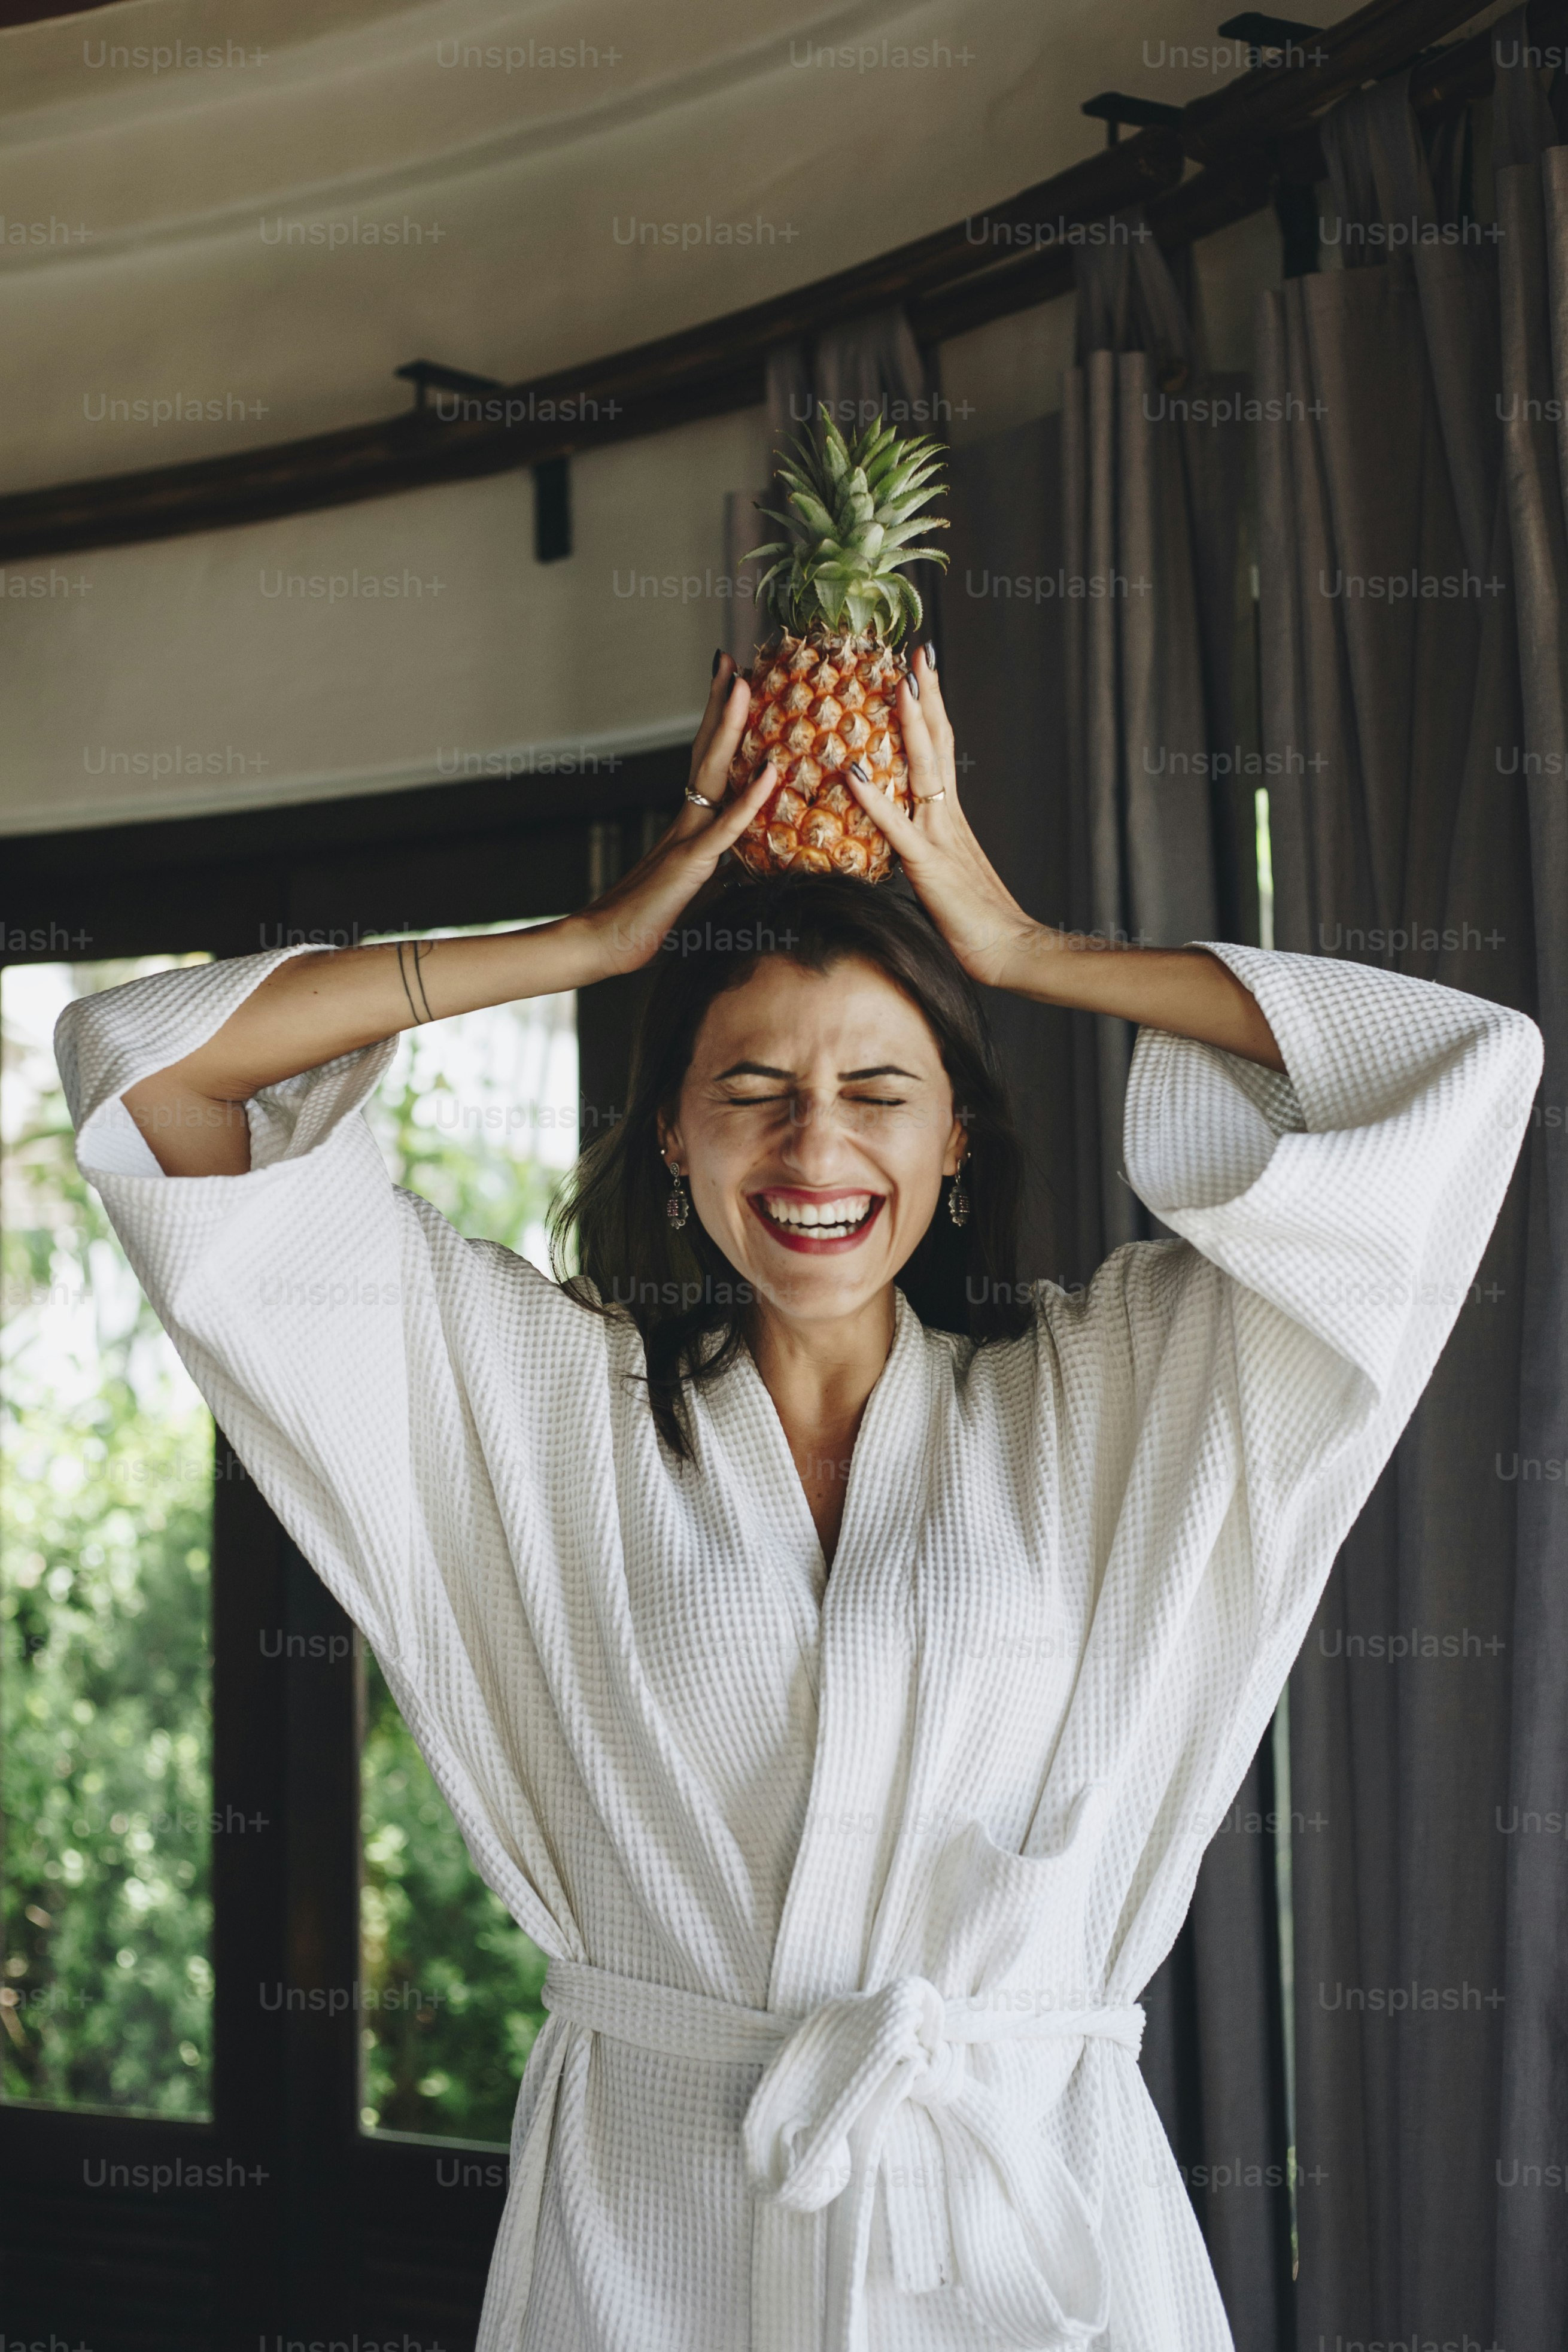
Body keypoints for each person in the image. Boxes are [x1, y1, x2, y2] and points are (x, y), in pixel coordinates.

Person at [56, 648, 1540, 2352]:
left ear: (958, 1140)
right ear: (672, 1139)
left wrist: (1024, 948)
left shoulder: (1118, 1394)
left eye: (878, 1091)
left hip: (1018, 2231)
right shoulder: (546, 1405)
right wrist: (585, 942)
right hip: (657, 2237)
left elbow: (1452, 1073)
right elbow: (152, 1075)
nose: (813, 1147)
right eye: (749, 1091)